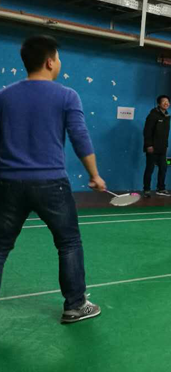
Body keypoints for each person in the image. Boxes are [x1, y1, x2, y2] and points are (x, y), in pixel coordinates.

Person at [0, 35, 106, 324]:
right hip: (51, 183)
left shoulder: (4, 96)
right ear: (49, 62)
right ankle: (75, 305)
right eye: (58, 58)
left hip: (8, 184)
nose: (59, 63)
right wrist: (94, 175)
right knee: (68, 242)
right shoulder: (67, 95)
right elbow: (80, 137)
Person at [143, 95, 171, 198]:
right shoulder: (152, 115)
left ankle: (161, 188)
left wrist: (166, 146)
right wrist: (149, 145)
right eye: (163, 101)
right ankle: (146, 189)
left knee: (163, 168)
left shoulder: (167, 116)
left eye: (167, 101)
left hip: (162, 148)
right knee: (149, 169)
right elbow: (147, 131)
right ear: (159, 104)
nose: (166, 103)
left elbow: (166, 134)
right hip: (152, 148)